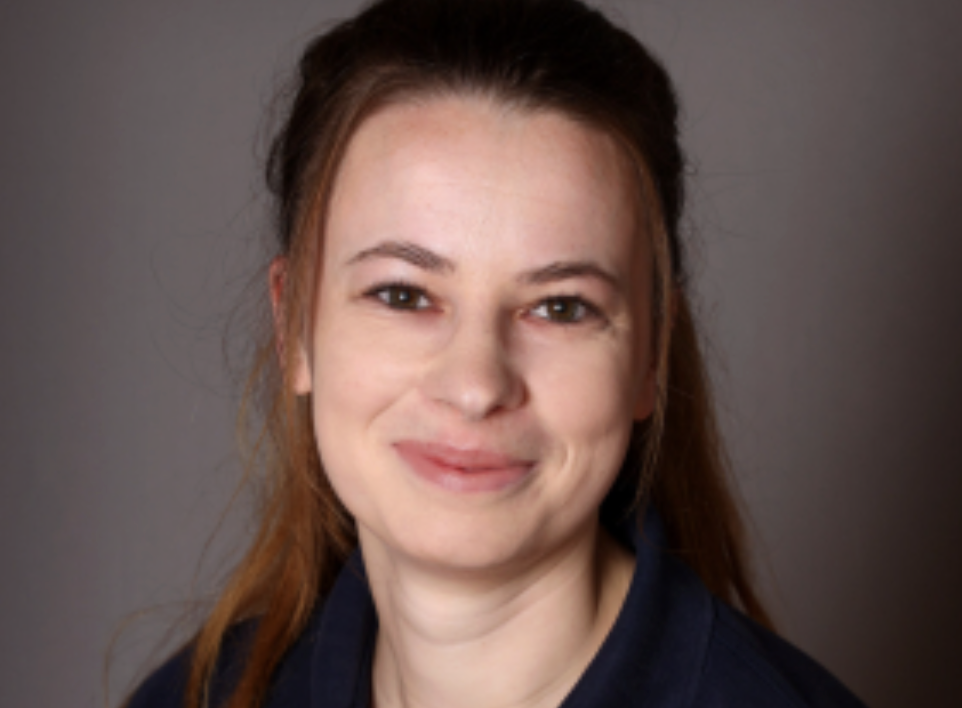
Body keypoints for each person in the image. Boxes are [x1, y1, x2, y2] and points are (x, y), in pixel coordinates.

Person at [126, 0, 866, 706]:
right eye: (404, 295)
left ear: (651, 357)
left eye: (560, 307)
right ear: (294, 327)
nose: (476, 385)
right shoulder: (196, 697)